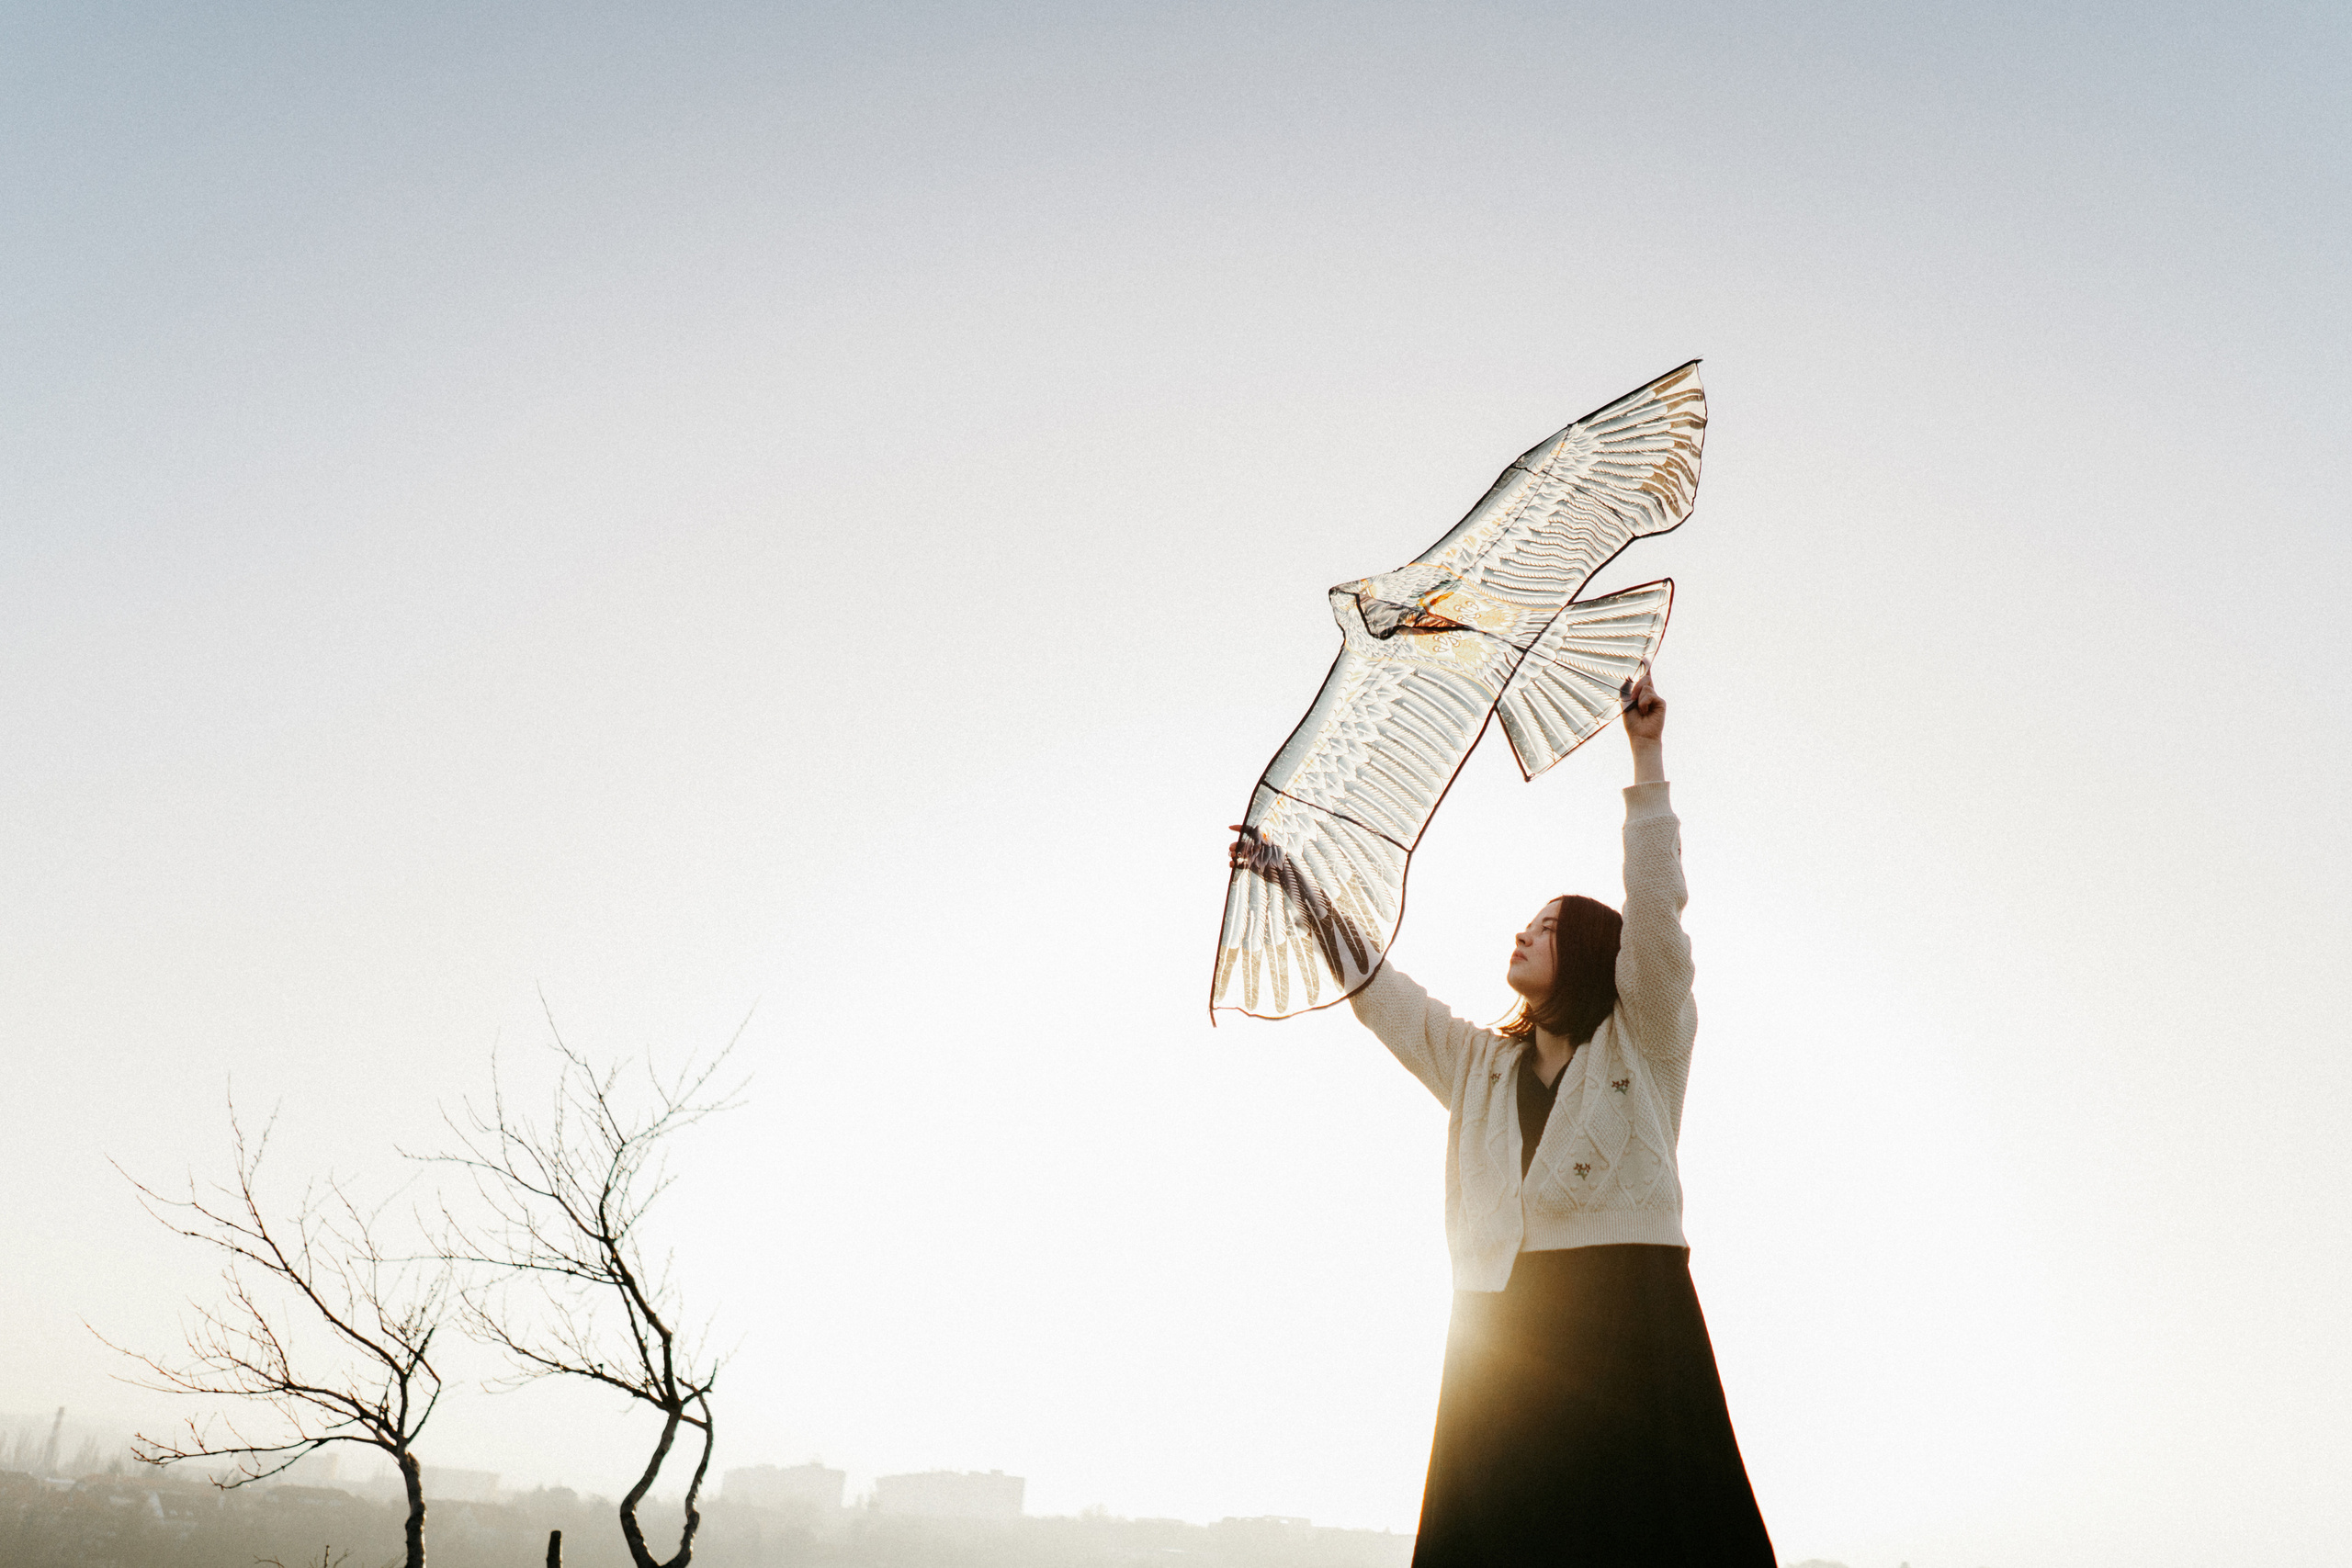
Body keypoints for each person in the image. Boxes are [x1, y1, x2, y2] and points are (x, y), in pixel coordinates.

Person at [1231, 667, 1773, 1566]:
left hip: (1627, 1312)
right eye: (1525, 922)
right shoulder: (1481, 1066)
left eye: (1547, 926)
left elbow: (1656, 915)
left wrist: (1644, 756)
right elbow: (1382, 995)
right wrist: (1294, 884)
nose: (1521, 934)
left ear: (1594, 956)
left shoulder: (1645, 1040)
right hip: (1503, 1325)